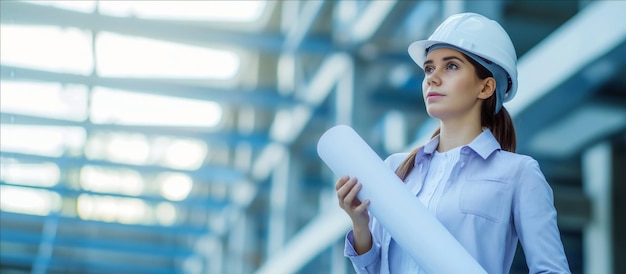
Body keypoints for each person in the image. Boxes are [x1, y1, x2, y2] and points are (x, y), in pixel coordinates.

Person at [335, 12, 571, 274]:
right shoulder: (395, 169)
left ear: (486, 87)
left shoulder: (519, 174)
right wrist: (360, 225)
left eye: (451, 66)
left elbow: (552, 270)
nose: (432, 78)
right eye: (429, 68)